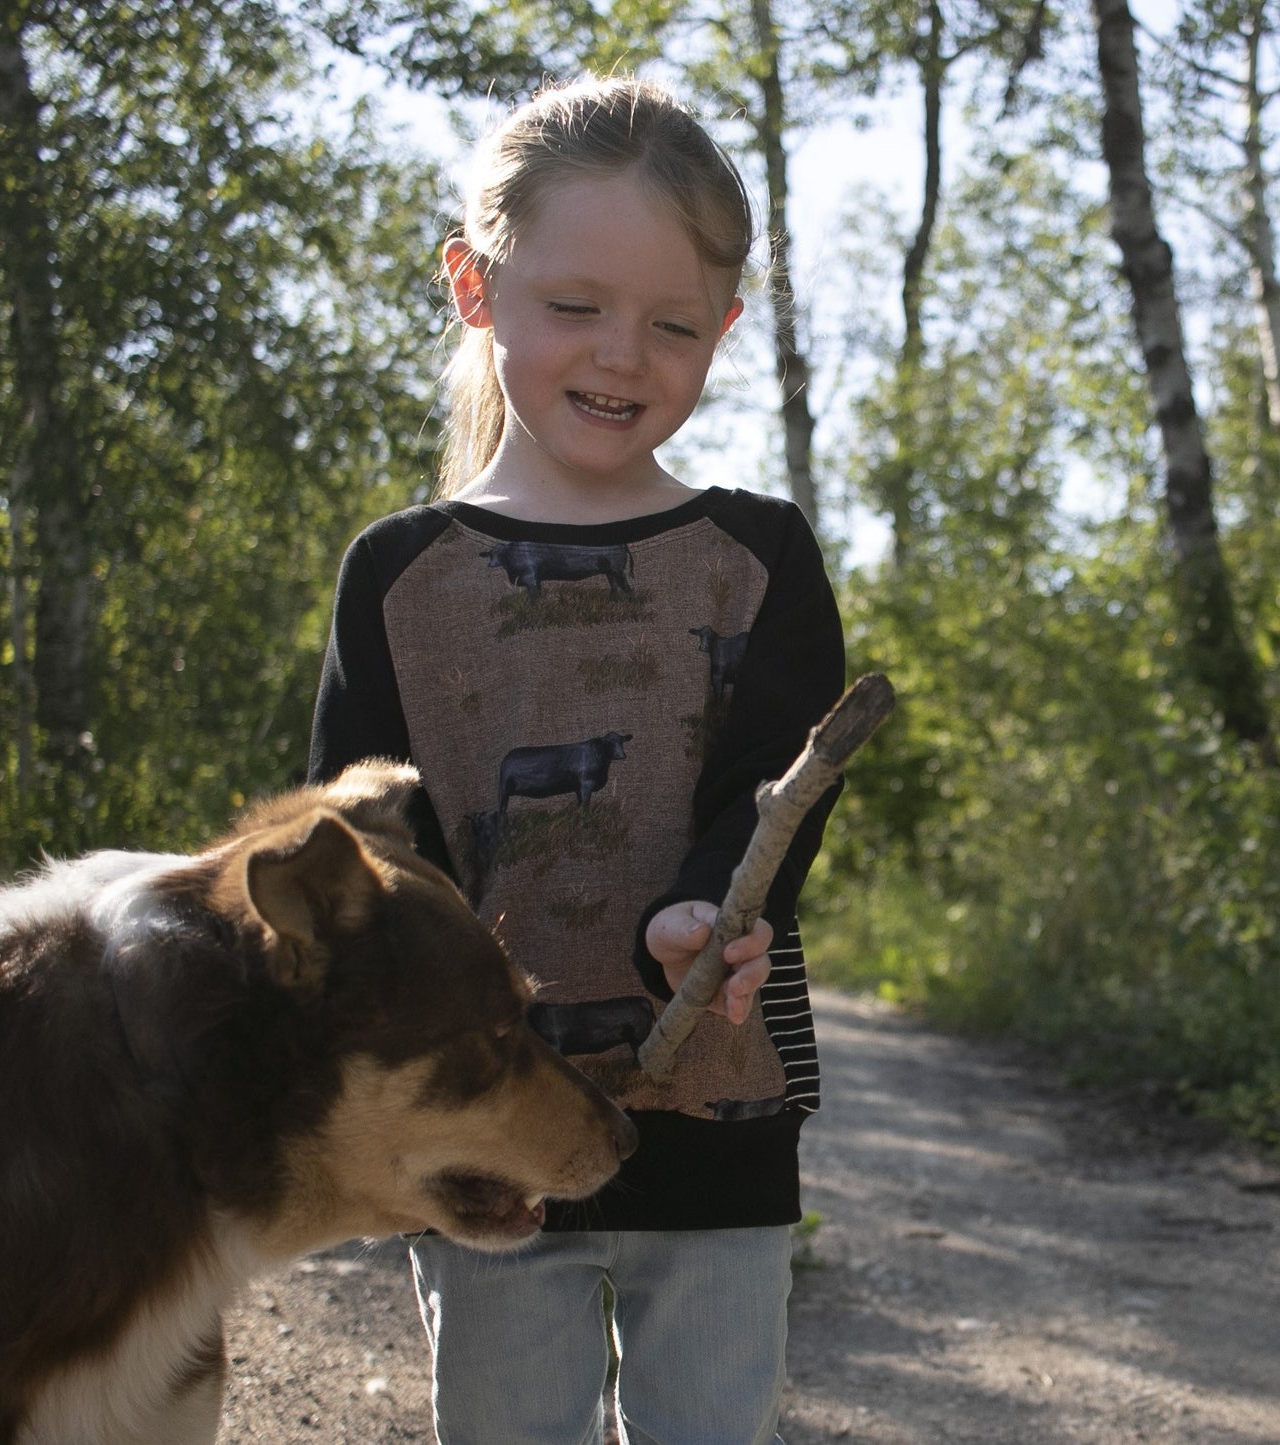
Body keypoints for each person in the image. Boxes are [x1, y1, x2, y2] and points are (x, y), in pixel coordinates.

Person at [307, 74, 845, 1445]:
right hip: (491, 1124)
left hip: (715, 1097)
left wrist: (710, 909)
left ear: (724, 327)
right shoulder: (398, 579)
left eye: (673, 324)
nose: (623, 355)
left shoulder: (759, 556)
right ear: (473, 288)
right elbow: (368, 859)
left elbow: (773, 791)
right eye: (575, 307)